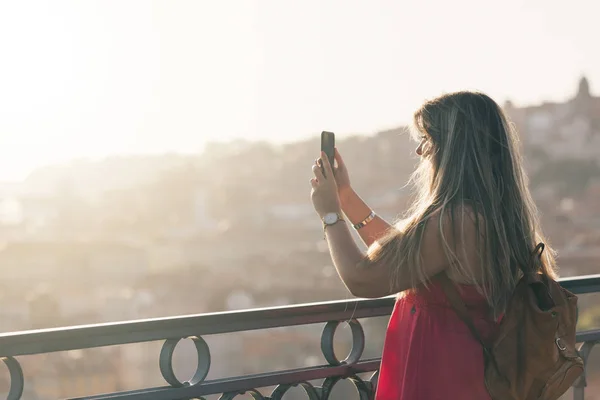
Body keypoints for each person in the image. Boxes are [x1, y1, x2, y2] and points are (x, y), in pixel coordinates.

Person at [309, 91, 558, 400]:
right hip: (472, 376)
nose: (419, 150)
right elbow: (412, 255)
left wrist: (330, 215)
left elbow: (362, 278)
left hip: (440, 377)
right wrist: (346, 198)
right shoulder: (490, 214)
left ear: (452, 148)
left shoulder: (455, 220)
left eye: (427, 138)